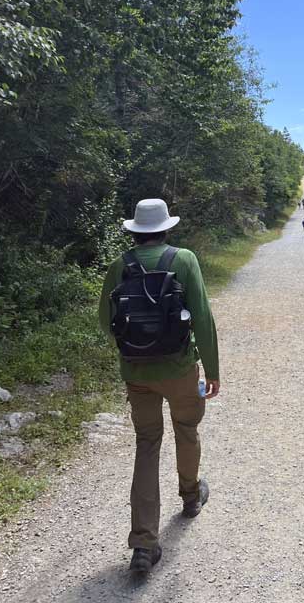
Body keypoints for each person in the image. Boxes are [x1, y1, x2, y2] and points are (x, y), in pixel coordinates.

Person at [99, 198, 220, 573]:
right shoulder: (183, 259)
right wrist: (212, 370)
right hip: (180, 368)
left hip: (137, 374)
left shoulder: (120, 265)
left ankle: (144, 545)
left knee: (147, 444)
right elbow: (202, 317)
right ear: (167, 228)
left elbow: (106, 322)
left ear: (134, 231)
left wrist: (137, 348)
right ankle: (190, 495)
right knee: (186, 429)